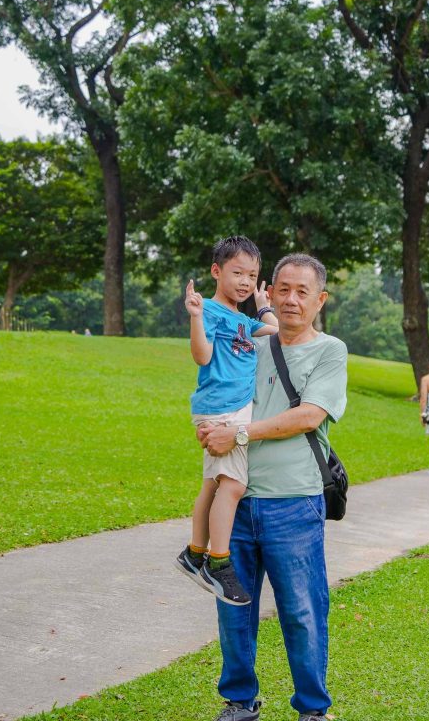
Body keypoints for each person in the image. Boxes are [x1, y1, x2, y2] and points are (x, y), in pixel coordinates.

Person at [198, 253, 347, 721]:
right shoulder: (251, 344)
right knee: (234, 612)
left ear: (320, 299)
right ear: (269, 292)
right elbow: (215, 380)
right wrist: (210, 425)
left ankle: (312, 709)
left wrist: (240, 433)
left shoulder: (330, 351)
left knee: (302, 612)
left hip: (294, 504)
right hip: (238, 501)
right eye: (282, 289)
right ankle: (240, 701)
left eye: (303, 291)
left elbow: (309, 416)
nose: (291, 300)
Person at [176, 236, 278, 607]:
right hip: (223, 408)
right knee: (233, 485)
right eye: (237, 273)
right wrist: (196, 316)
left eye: (252, 275)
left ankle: (195, 552)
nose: (246, 282)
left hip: (228, 408)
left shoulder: (243, 319)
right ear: (216, 272)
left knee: (212, 484)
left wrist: (264, 306)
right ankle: (218, 564)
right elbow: (202, 357)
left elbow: (276, 333)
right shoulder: (214, 312)